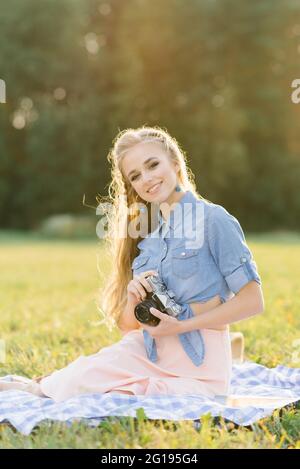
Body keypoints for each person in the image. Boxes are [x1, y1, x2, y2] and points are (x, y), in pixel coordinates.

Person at [0, 126, 264, 402]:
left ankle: (43, 386)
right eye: (135, 176)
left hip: (199, 368)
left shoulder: (214, 220)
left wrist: (181, 326)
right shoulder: (148, 238)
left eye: (153, 165)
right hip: (147, 352)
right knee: (80, 383)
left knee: (114, 393)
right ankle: (40, 386)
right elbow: (130, 327)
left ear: (175, 163)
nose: (147, 179)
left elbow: (252, 301)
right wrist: (131, 299)